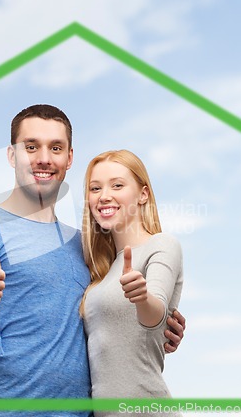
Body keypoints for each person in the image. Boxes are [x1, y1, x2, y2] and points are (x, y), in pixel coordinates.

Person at [0, 105, 185, 417]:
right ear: (11, 156)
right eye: (31, 147)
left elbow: (113, 313)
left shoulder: (86, 247)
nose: (44, 158)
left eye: (56, 148)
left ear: (69, 158)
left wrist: (164, 324)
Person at [81, 150, 184, 416]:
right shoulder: (101, 272)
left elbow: (156, 314)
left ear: (143, 194)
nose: (104, 195)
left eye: (117, 185)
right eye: (95, 188)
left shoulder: (162, 245)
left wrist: (141, 298)